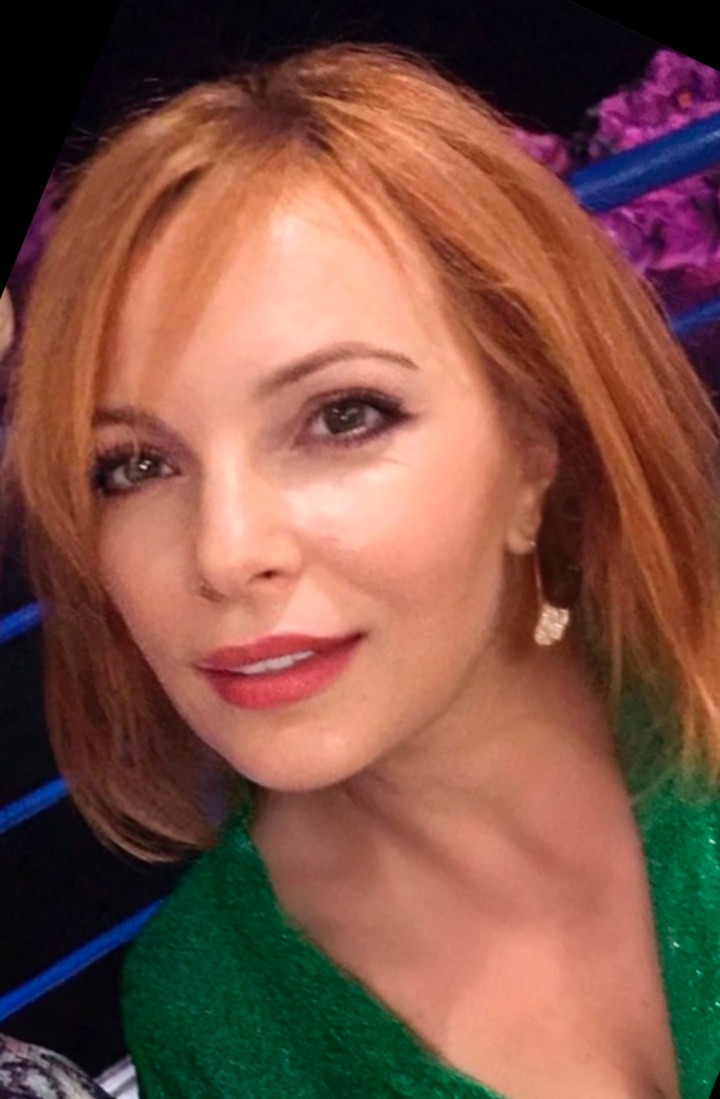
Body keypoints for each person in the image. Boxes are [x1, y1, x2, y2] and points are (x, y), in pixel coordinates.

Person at [1, 42, 719, 1099]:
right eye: (135, 466)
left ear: (536, 448)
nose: (225, 552)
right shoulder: (209, 1008)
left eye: (344, 416)